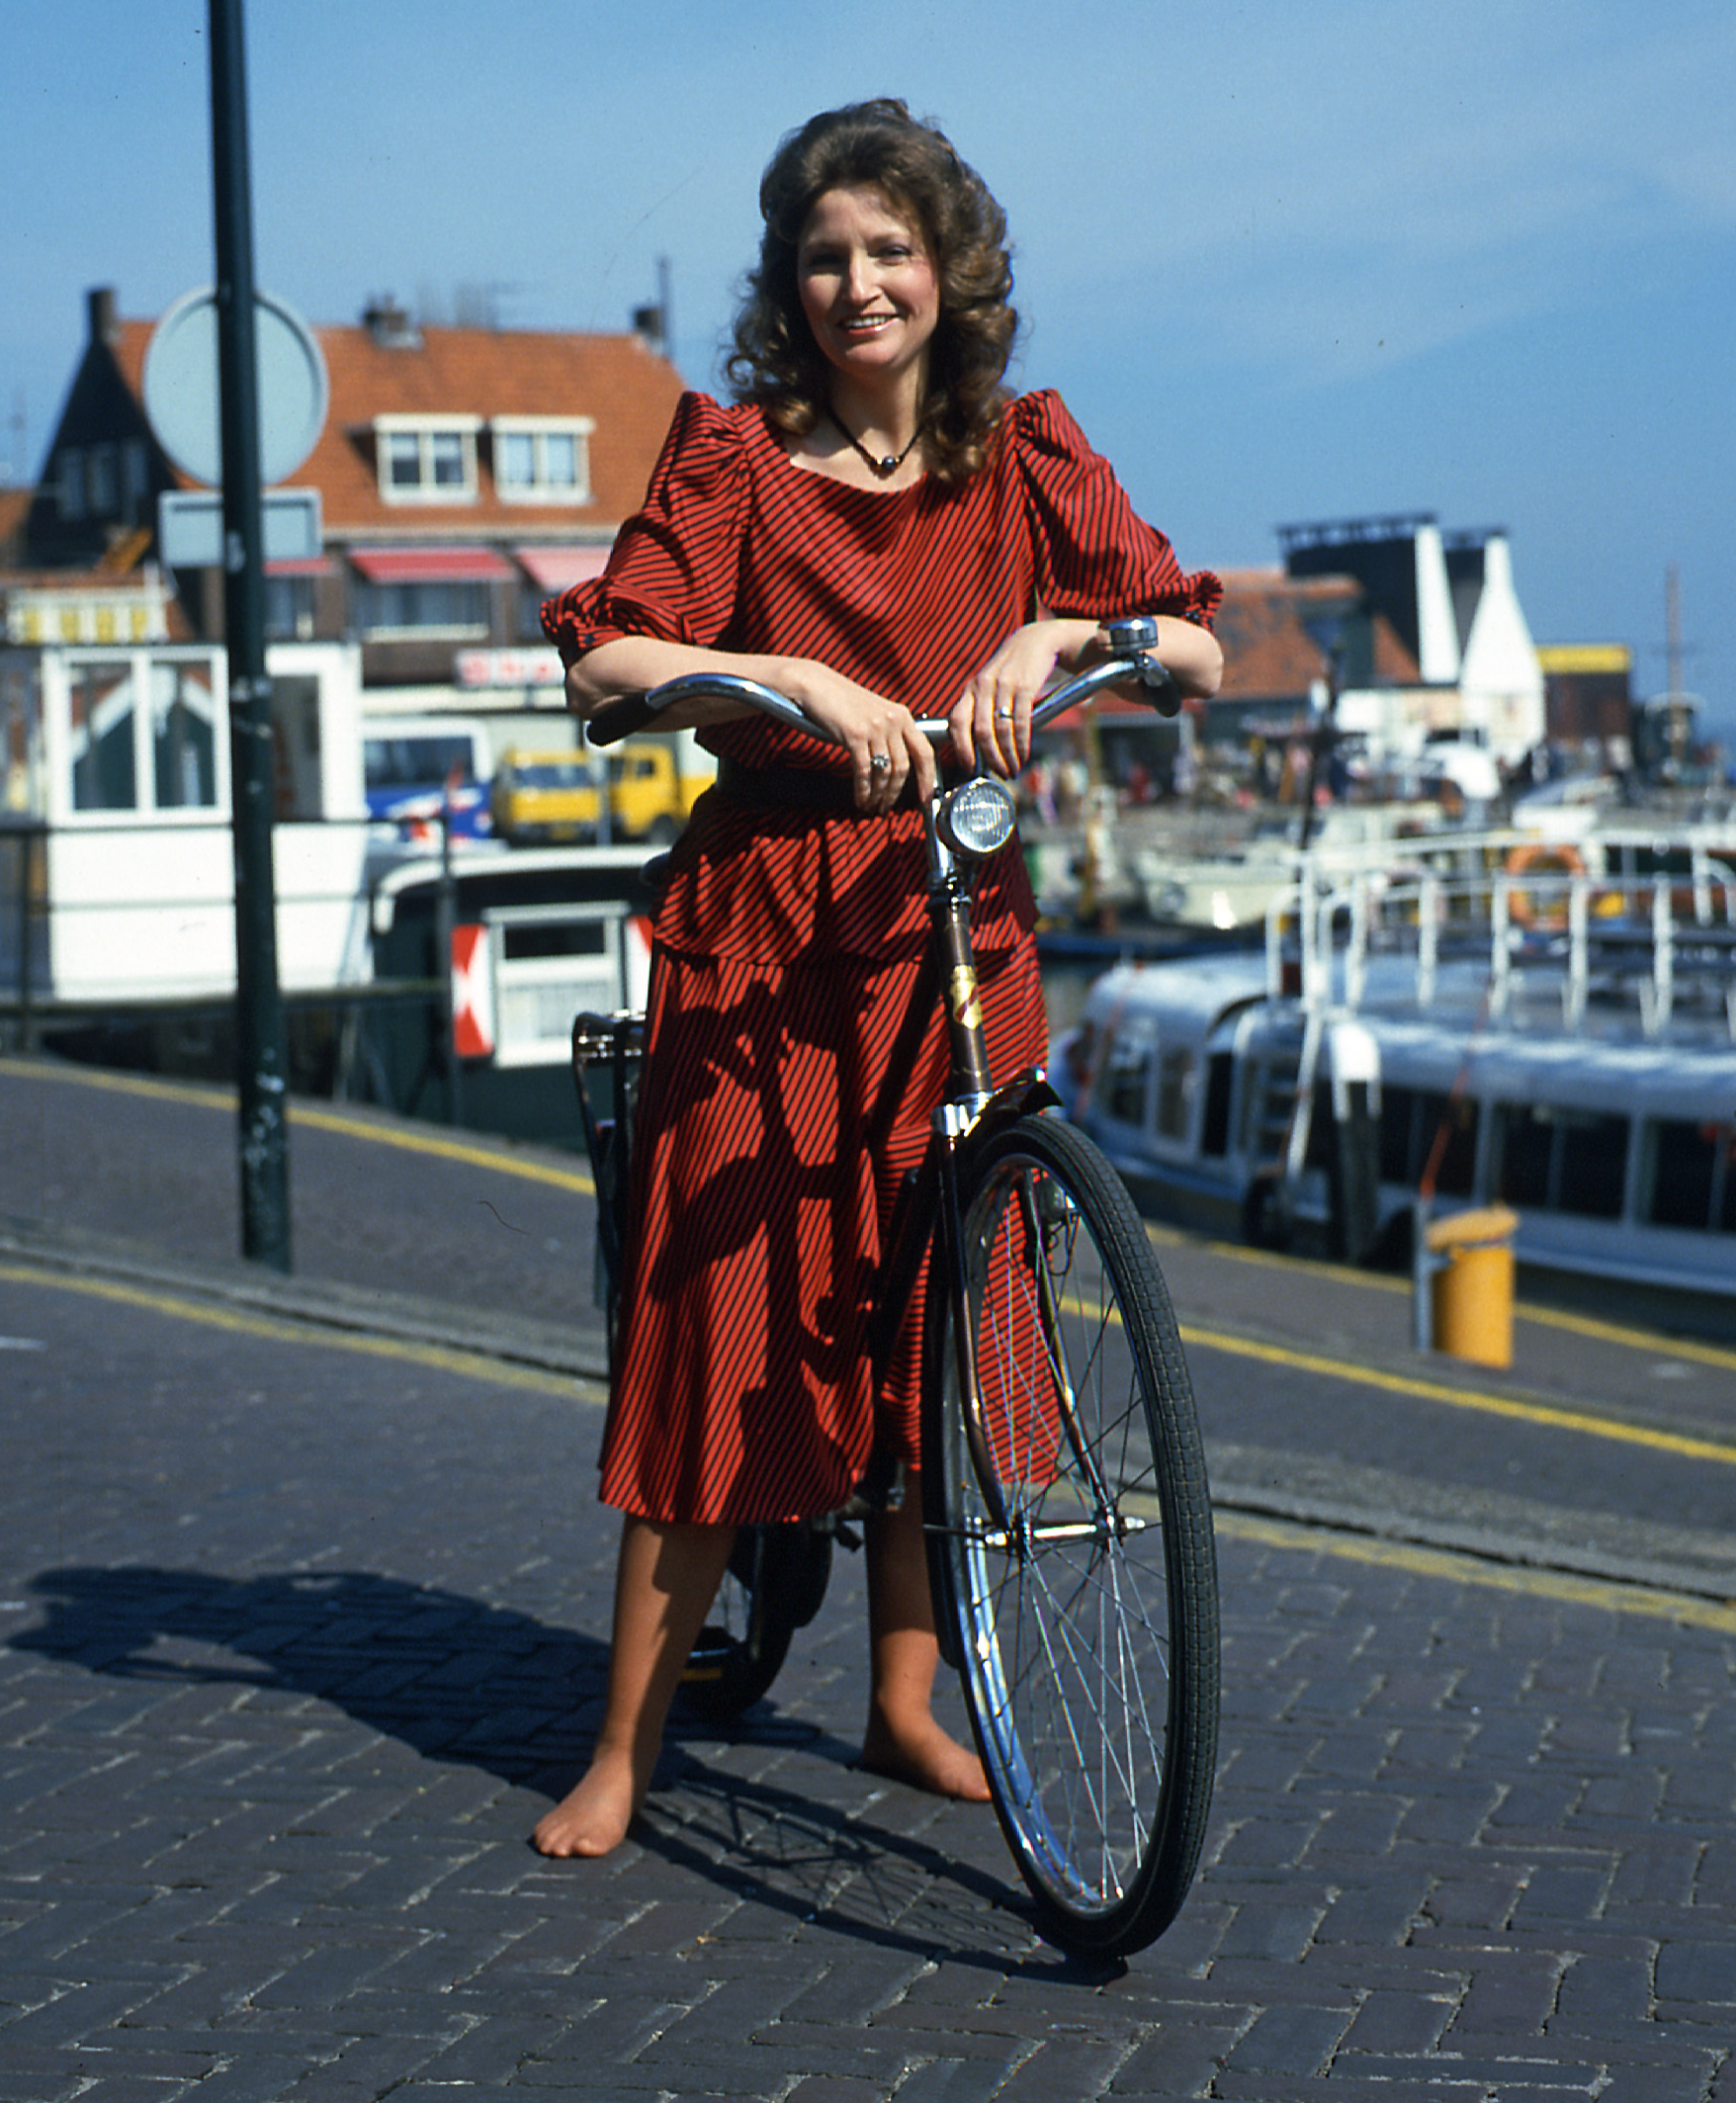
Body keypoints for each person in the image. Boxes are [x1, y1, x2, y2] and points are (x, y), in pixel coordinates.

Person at [530, 98, 1223, 1859]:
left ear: (949, 272)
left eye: (889, 252)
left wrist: (1063, 632)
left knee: (934, 1322)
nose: (859, 283)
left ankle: (907, 1699)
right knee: (723, 1332)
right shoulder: (735, 462)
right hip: (768, 934)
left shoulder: (1023, 456)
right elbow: (603, 662)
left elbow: (1189, 642)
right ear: (792, 282)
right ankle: (622, 1746)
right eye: (827, 255)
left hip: (954, 931)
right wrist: (777, 676)